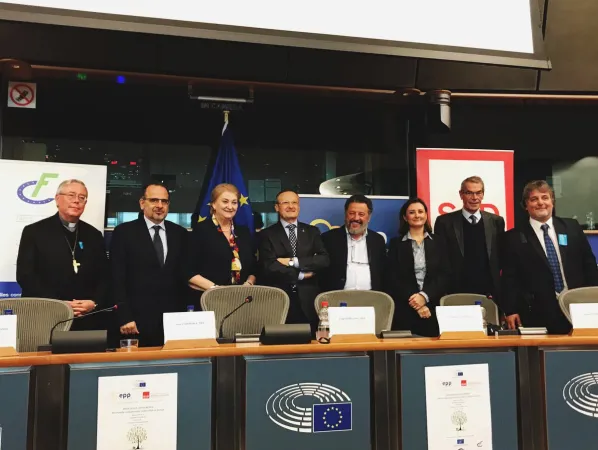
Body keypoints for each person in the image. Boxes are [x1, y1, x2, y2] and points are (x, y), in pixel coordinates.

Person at [501, 180, 598, 334]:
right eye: (534, 199)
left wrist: (594, 300)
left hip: (578, 309)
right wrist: (510, 310)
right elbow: (509, 278)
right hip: (536, 313)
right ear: (526, 205)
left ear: (552, 201)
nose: (541, 203)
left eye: (545, 197)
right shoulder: (513, 237)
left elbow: (589, 265)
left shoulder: (571, 227)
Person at [16, 179, 108, 330]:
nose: (77, 201)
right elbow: (25, 276)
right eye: (71, 195)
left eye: (82, 197)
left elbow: (105, 276)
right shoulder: (34, 232)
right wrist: (58, 303)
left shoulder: (94, 235)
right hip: (46, 316)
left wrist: (94, 302)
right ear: (57, 199)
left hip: (85, 317)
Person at [110, 183, 190, 347]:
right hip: (136, 323)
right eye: (154, 200)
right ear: (142, 203)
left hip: (173, 321)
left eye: (164, 201)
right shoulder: (124, 232)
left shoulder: (180, 234)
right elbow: (116, 277)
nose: (159, 206)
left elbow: (183, 276)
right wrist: (124, 316)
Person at [259, 190, 329, 329]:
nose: (291, 206)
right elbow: (269, 266)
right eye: (285, 202)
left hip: (309, 300)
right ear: (277, 207)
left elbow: (323, 260)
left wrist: (293, 261)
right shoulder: (266, 234)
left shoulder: (312, 231)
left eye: (294, 202)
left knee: (311, 345)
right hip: (279, 300)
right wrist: (301, 274)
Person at [434, 176, 505, 305]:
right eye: (469, 193)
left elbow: (501, 257)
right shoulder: (444, 222)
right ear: (461, 194)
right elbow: (440, 259)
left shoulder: (496, 221)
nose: (474, 197)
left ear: (483, 194)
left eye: (478, 192)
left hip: (489, 292)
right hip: (455, 291)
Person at [387, 198, 449, 336]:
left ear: (426, 215)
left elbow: (444, 275)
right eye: (412, 212)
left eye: (420, 211)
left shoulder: (439, 242)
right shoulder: (396, 244)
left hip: (433, 307)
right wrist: (417, 303)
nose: (417, 215)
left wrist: (424, 296)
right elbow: (393, 277)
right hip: (405, 307)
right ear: (405, 217)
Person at [188, 184, 257, 293]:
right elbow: (188, 271)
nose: (230, 207)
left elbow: (253, 267)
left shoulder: (243, 232)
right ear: (214, 204)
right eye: (225, 201)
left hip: (242, 298)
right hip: (211, 298)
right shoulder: (200, 231)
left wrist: (249, 283)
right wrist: (217, 290)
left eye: (234, 202)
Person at [321, 194, 387, 292]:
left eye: (361, 214)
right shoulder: (328, 239)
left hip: (371, 299)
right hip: (337, 299)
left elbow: (383, 273)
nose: (356, 218)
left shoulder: (377, 240)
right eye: (352, 213)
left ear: (369, 217)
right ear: (345, 214)